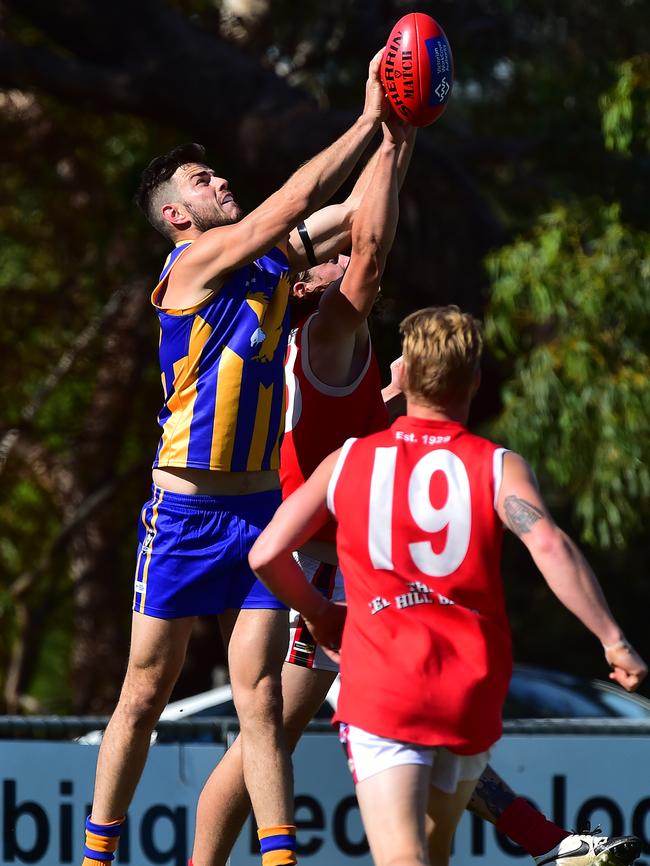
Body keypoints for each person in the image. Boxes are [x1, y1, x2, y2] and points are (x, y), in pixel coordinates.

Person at [187, 129, 643, 866]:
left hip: (341, 570)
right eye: (318, 265)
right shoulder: (329, 336)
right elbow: (368, 249)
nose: (338, 261)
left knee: (368, 734)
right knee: (265, 746)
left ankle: (548, 841)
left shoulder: (334, 360)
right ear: (302, 289)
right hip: (321, 574)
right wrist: (395, 134)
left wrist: (396, 394)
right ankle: (547, 842)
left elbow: (338, 243)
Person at [79, 50, 394, 866]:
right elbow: (294, 202)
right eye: (202, 180)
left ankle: (279, 858)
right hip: (185, 510)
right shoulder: (191, 265)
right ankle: (97, 854)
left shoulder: (262, 263)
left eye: (217, 174)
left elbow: (358, 215)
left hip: (257, 512)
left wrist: (403, 130)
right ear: (176, 216)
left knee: (257, 697)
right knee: (145, 693)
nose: (219, 182)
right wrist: (365, 120)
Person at [248, 305, 647, 866]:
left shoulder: (350, 461)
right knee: (435, 853)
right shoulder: (497, 465)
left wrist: (319, 612)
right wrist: (613, 640)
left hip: (383, 683)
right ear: (476, 381)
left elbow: (265, 553)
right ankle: (545, 841)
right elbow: (550, 545)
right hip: (468, 686)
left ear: (404, 376)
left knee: (403, 856)